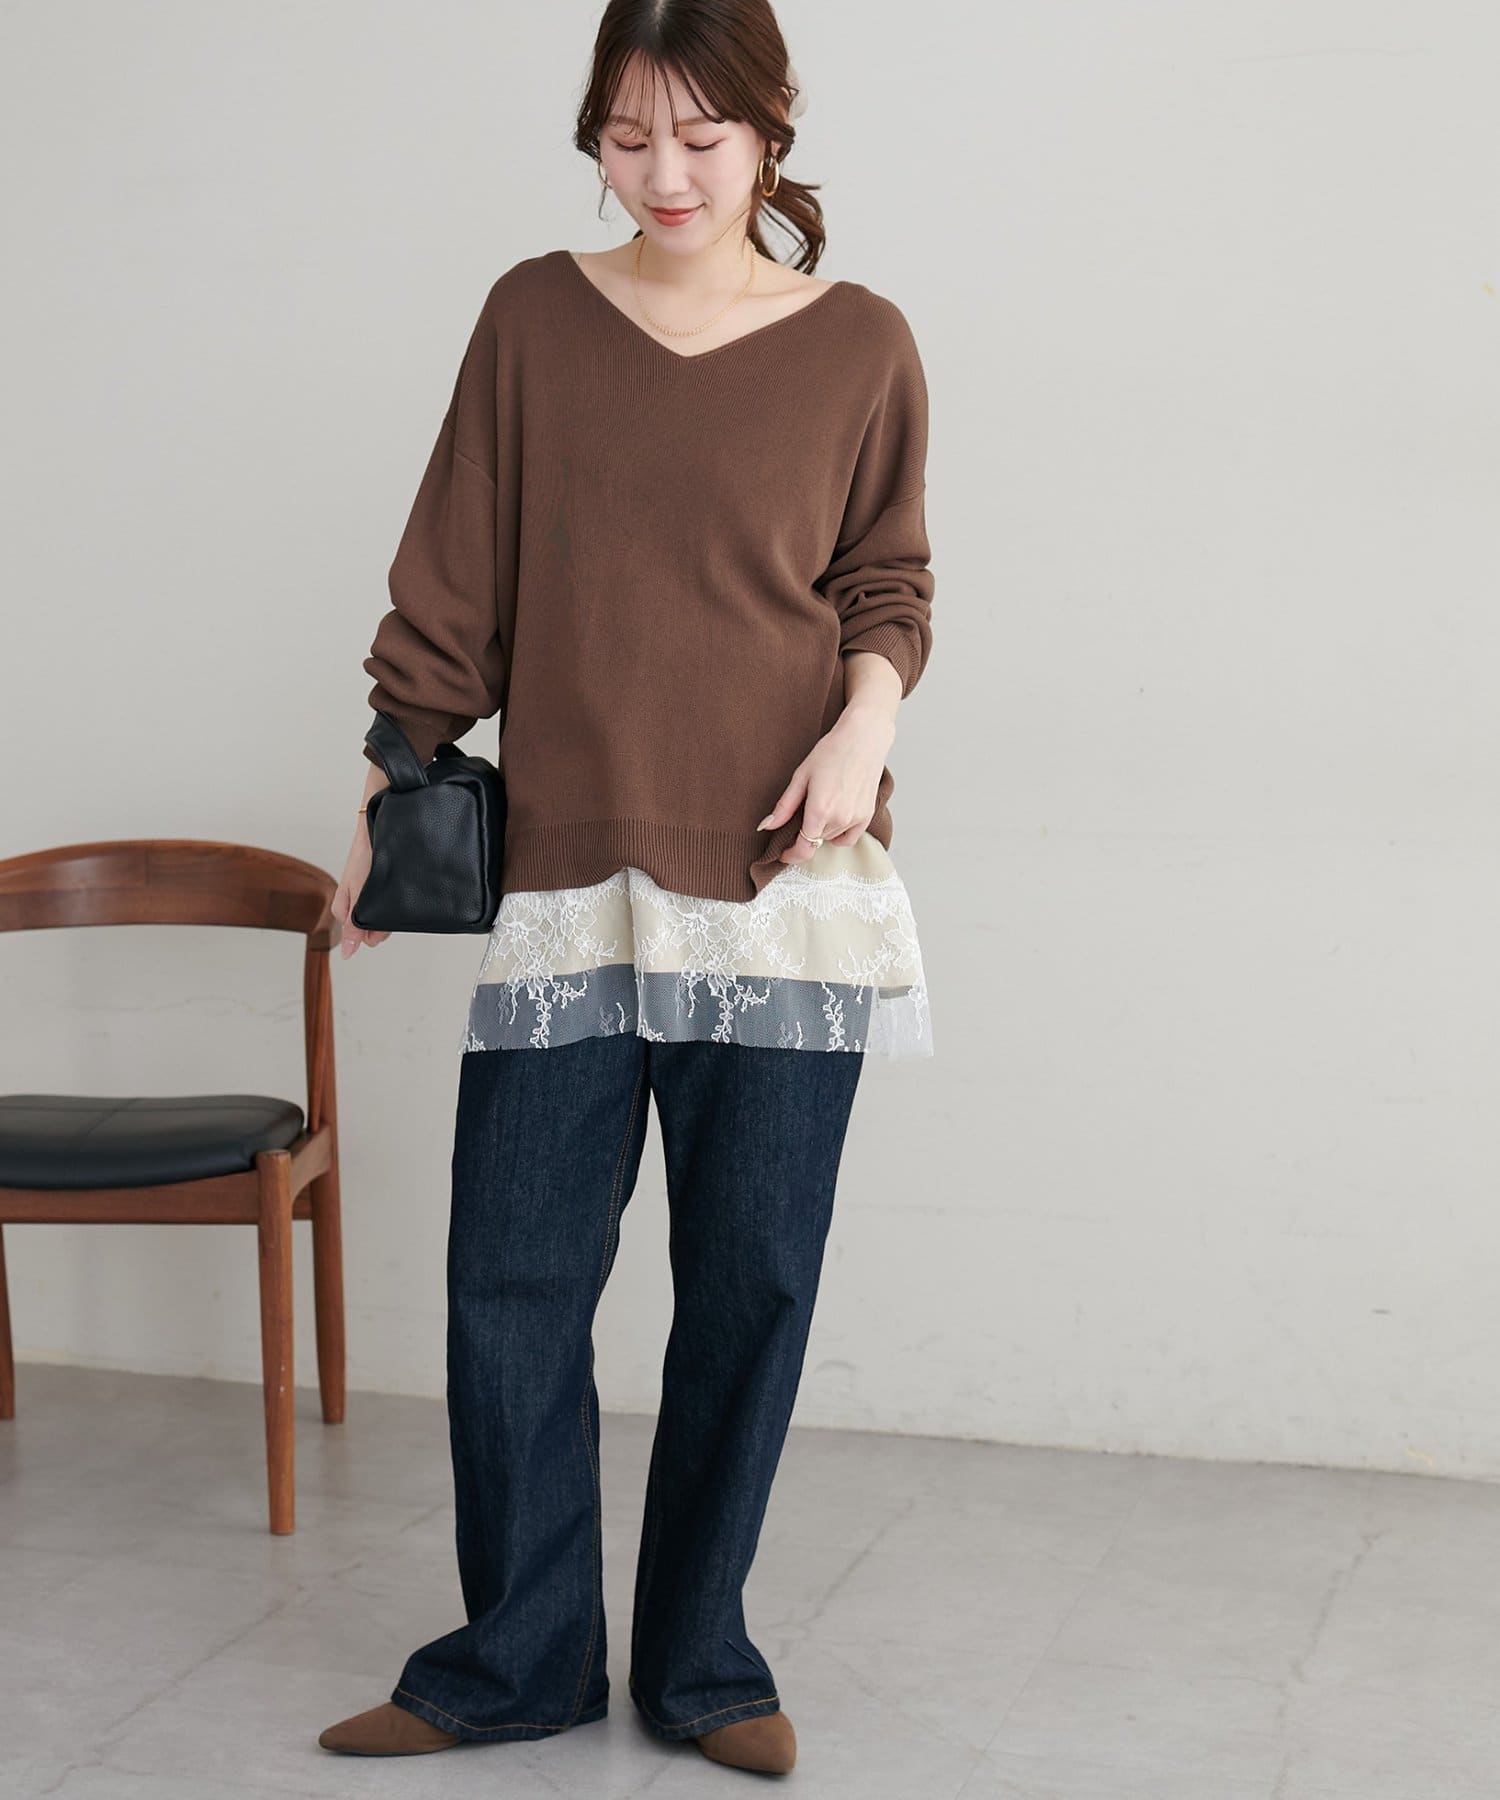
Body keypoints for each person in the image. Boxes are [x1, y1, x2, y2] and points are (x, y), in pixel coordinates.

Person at [319, 0, 936, 1775]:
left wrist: (864, 725)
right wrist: (385, 792)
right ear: (592, 133)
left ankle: (705, 1667)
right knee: (510, 1280)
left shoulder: (861, 344)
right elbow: (454, 582)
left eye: (702, 137)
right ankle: (514, 1661)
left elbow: (888, 583)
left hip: (782, 882)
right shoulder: (534, 317)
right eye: (628, 136)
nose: (665, 174)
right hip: (571, 882)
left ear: (771, 128)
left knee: (750, 1285)